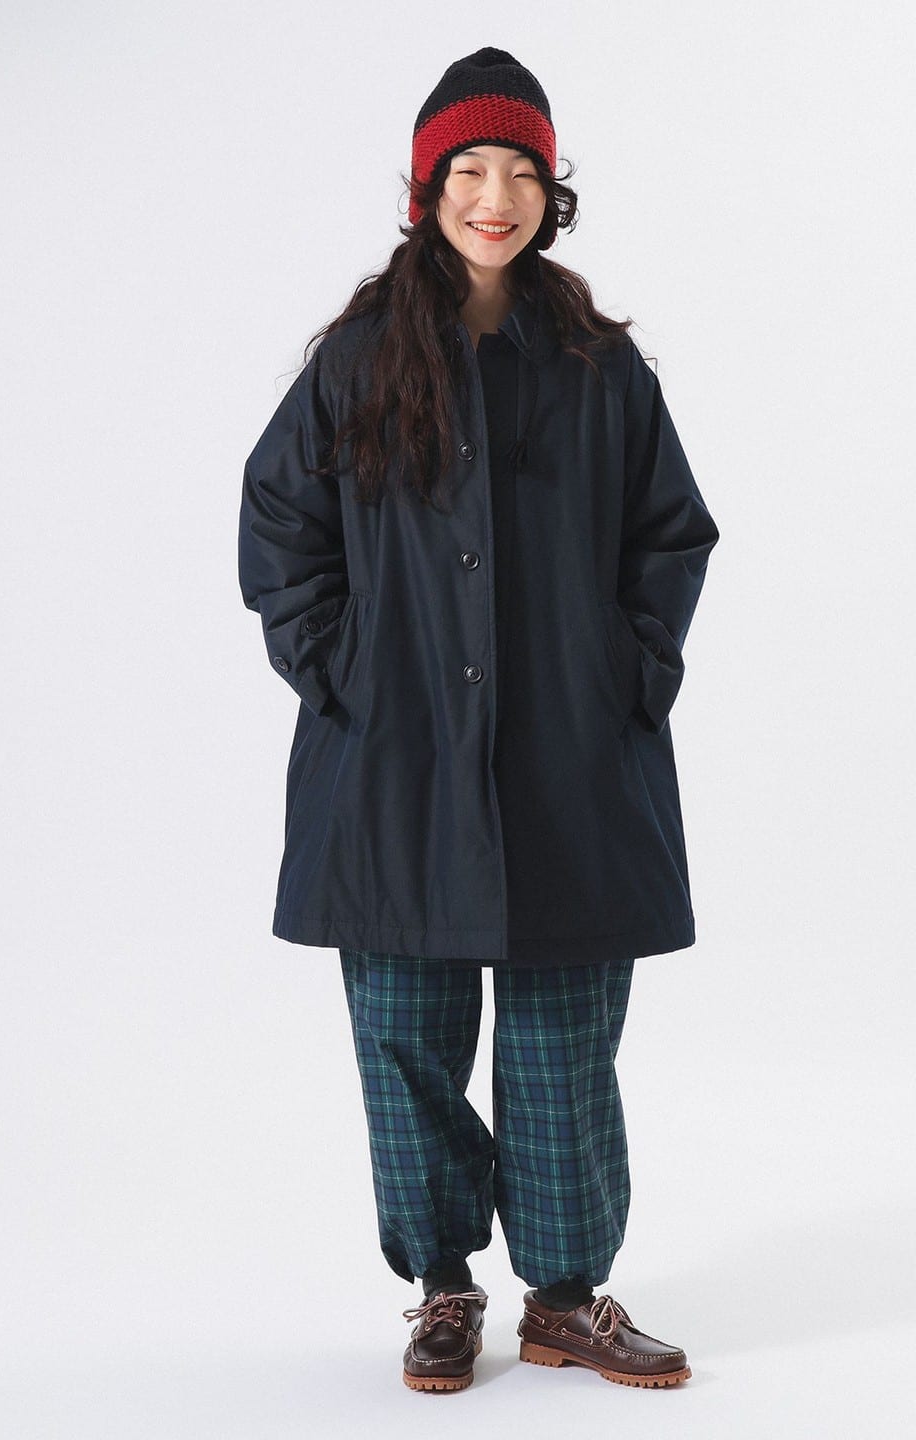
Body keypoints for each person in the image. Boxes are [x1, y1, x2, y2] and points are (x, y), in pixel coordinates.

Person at [238, 46, 720, 1392]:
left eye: (519, 171)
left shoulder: (600, 368)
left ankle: (564, 1298)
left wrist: (629, 670)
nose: (494, 197)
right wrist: (339, 665)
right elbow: (279, 525)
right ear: (426, 187)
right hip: (396, 765)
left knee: (565, 1047)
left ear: (551, 193)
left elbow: (671, 534)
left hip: (574, 761)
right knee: (408, 1041)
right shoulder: (357, 361)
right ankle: (444, 1291)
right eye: (469, 169)